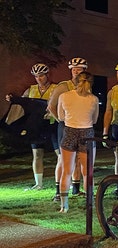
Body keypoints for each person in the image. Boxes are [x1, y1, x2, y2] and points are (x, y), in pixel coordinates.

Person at [5, 63, 58, 190]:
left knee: (60, 154)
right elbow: (22, 103)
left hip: (52, 124)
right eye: (36, 76)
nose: (39, 79)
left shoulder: (56, 88)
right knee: (37, 154)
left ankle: (64, 181)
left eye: (41, 76)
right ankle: (38, 184)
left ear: (47, 75)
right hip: (36, 126)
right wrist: (12, 99)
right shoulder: (31, 90)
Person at [56, 71, 99, 213]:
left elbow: (61, 117)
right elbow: (94, 120)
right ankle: (89, 204)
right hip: (87, 132)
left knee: (67, 171)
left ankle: (64, 205)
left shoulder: (64, 96)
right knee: (87, 172)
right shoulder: (93, 99)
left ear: (75, 81)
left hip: (69, 132)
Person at [47, 57, 88, 201]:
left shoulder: (86, 86)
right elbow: (51, 106)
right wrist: (61, 120)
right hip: (65, 127)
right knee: (62, 159)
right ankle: (58, 192)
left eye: (79, 69)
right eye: (74, 69)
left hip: (80, 126)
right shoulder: (63, 86)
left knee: (78, 158)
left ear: (84, 71)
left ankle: (76, 189)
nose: (76, 72)